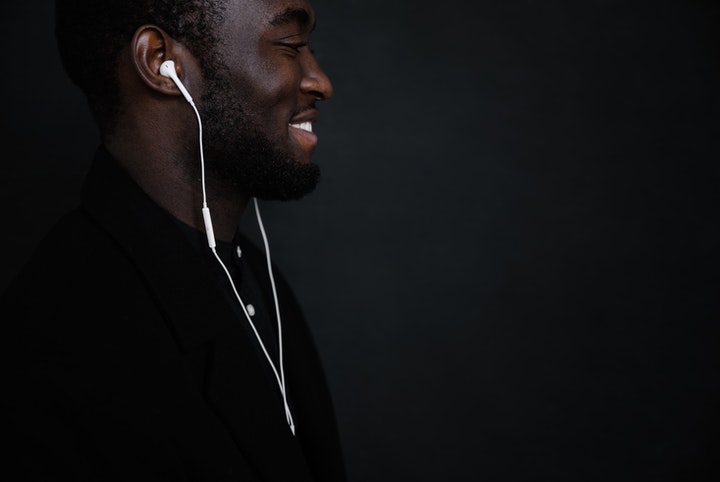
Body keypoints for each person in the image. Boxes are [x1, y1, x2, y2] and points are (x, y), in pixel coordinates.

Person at [1, 0, 346, 480]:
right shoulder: (60, 357)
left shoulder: (254, 277)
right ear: (161, 62)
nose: (320, 81)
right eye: (289, 45)